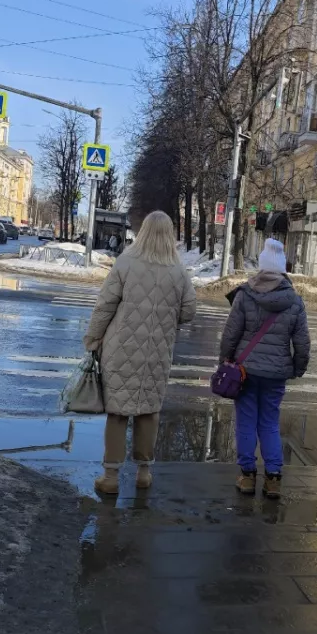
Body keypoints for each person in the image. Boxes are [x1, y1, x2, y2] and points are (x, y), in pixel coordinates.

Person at [84, 211, 197, 494]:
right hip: (156, 354)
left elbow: (105, 305)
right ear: (170, 236)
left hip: (120, 349)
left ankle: (110, 477)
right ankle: (144, 473)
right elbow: (189, 312)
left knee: (118, 412)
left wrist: (93, 338)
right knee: (149, 412)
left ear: (144, 231)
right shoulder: (178, 271)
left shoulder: (126, 263)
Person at [219, 239, 310, 500]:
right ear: (282, 269)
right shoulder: (294, 301)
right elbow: (302, 342)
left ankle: (247, 476)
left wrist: (224, 361)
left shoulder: (245, 294)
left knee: (246, 422)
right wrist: (297, 368)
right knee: (269, 422)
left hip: (245, 372)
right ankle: (273, 479)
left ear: (261, 266)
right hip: (276, 373)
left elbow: (230, 335)